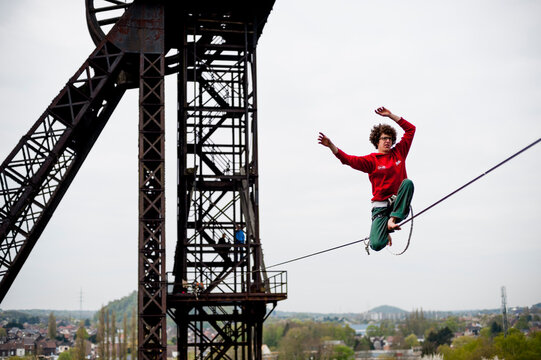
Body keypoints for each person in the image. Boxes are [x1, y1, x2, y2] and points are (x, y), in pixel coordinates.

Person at [318, 106, 415, 251]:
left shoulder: (399, 153)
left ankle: (392, 220)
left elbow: (411, 130)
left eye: (389, 138)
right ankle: (386, 229)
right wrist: (331, 145)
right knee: (376, 245)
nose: (387, 141)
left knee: (407, 183)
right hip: (381, 208)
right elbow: (347, 160)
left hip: (397, 204)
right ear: (377, 141)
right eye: (384, 138)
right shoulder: (372, 160)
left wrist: (390, 116)